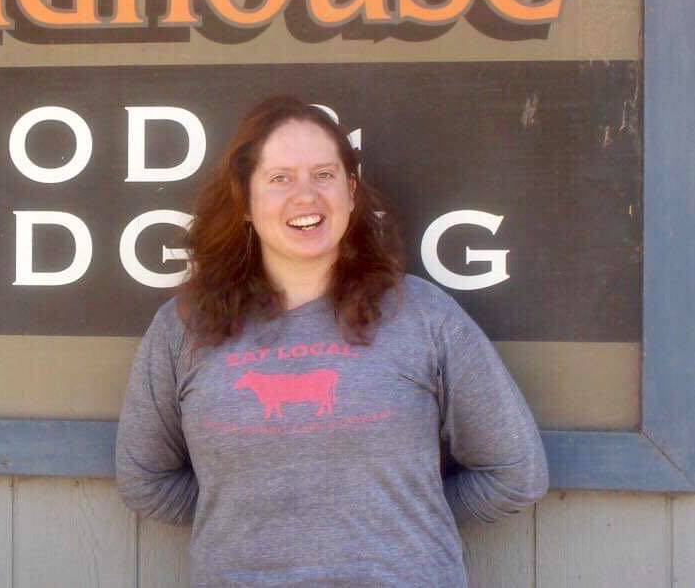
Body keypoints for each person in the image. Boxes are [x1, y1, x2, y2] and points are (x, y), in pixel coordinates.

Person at [115, 96, 547, 587]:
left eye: (323, 175)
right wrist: (255, 516)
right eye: (280, 179)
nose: (306, 197)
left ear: (351, 191)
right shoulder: (183, 327)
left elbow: (515, 472)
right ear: (245, 202)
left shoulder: (424, 316)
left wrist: (403, 510)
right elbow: (145, 482)